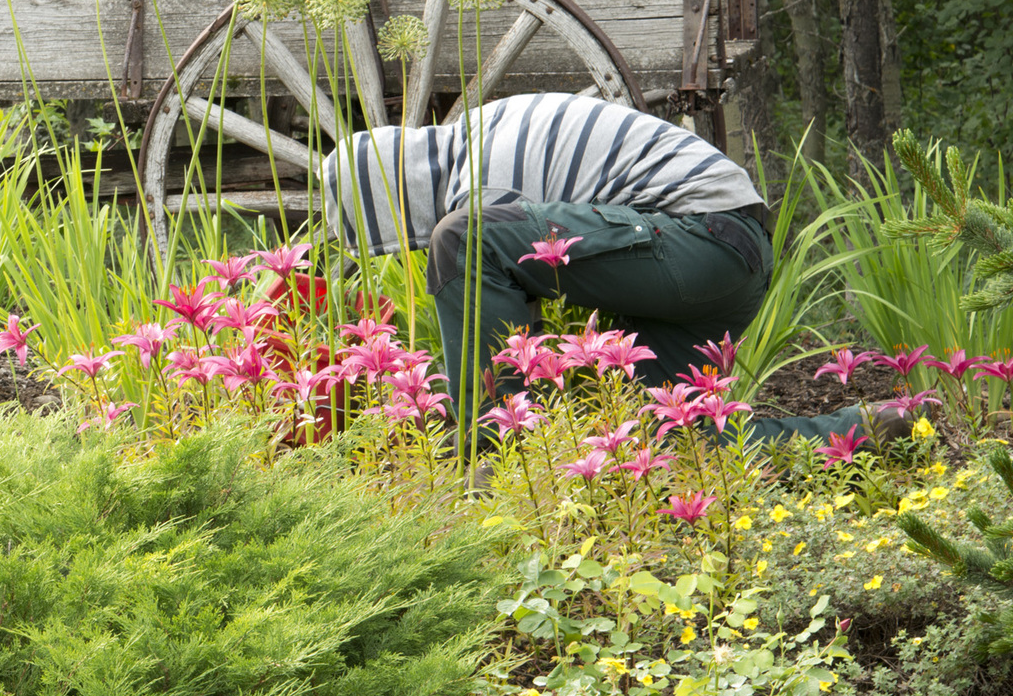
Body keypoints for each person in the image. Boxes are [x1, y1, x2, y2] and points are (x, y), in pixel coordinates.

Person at [317, 91, 911, 445]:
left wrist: (487, 431)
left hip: (696, 239)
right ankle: (860, 428)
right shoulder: (479, 132)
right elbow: (521, 326)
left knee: (462, 239)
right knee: (654, 432)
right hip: (730, 257)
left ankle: (492, 457)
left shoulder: (483, 178)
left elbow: (507, 344)